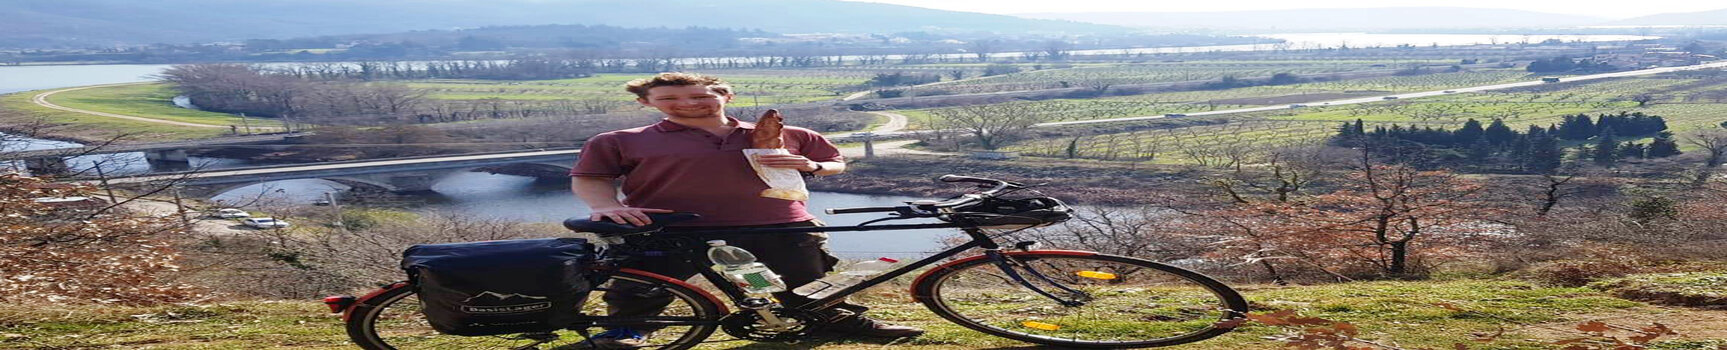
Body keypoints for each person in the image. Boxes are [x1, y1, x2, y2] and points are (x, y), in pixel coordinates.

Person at [570, 72, 924, 348]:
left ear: (726, 96)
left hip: (778, 224)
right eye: (670, 98)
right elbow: (591, 178)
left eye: (700, 96)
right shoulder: (619, 140)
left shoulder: (786, 133)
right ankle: (626, 332)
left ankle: (836, 323)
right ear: (646, 103)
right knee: (642, 287)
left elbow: (834, 162)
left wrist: (811, 166)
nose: (688, 103)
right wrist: (605, 205)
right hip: (667, 228)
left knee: (808, 284)